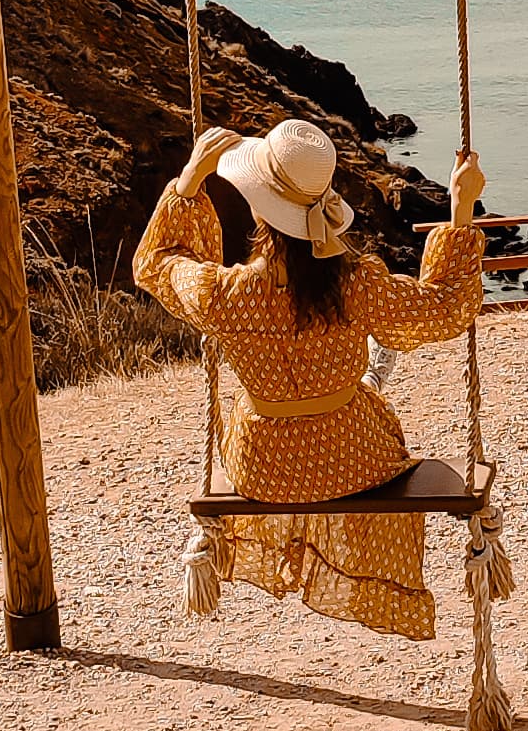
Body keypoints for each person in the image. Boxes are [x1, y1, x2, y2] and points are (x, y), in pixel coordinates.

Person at [134, 116, 485, 638]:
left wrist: (189, 182)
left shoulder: (225, 295)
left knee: (342, 386)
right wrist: (459, 213)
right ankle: (372, 369)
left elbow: (158, 265)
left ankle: (370, 371)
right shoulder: (356, 283)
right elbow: (445, 308)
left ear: (258, 207)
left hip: (262, 468)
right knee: (362, 382)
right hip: (354, 459)